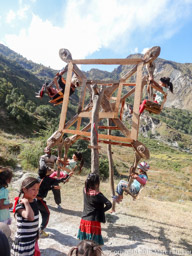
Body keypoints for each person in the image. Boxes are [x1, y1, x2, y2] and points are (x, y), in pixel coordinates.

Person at [37, 166, 73, 238]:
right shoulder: (47, 179)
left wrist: (53, 187)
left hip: (33, 199)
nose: (50, 170)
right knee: (46, 213)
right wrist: (69, 175)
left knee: (34, 215)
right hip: (39, 200)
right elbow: (61, 180)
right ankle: (40, 231)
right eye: (48, 169)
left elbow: (43, 187)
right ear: (46, 172)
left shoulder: (38, 178)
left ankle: (33, 229)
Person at [77, 173, 112, 245]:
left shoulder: (84, 190)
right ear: (96, 184)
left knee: (85, 242)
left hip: (84, 219)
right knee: (93, 244)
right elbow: (109, 204)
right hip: (93, 222)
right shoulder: (98, 194)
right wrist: (101, 211)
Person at [11, 177, 40, 256]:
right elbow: (30, 217)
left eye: (37, 189)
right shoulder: (20, 206)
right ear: (24, 189)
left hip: (31, 240)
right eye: (33, 189)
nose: (36, 192)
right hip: (23, 243)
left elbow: (35, 220)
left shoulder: (35, 201)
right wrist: (26, 203)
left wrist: (36, 233)